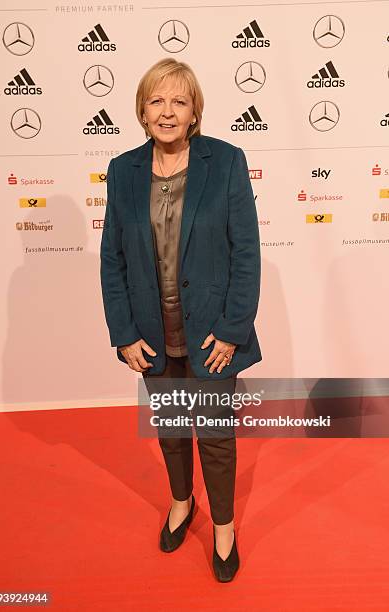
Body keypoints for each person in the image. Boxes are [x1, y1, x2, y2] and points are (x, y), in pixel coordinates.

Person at [100, 58, 261, 582]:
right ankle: (180, 500)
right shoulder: (122, 170)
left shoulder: (228, 162)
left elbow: (246, 254)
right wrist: (123, 332)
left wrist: (234, 331)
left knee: (214, 434)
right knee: (171, 428)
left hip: (213, 333)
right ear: (142, 112)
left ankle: (224, 525)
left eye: (179, 101)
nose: (167, 112)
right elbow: (113, 259)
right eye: (156, 101)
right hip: (151, 331)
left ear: (195, 113)